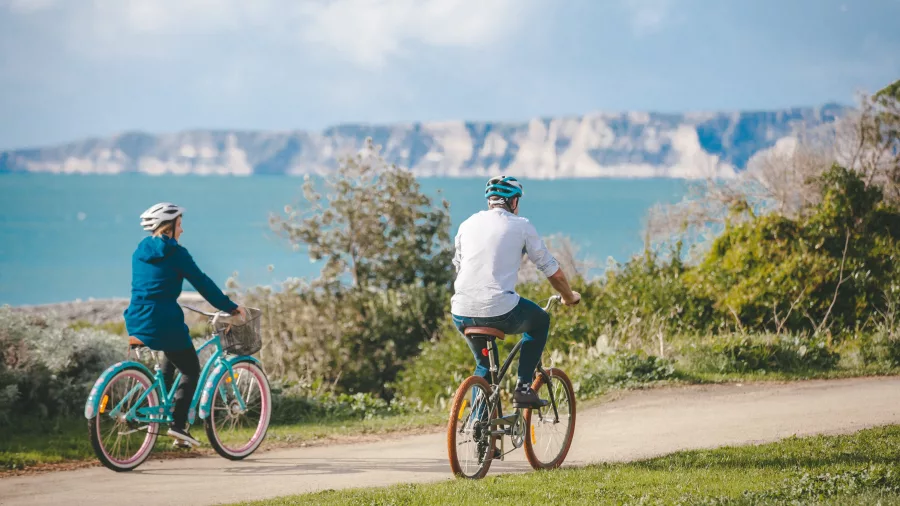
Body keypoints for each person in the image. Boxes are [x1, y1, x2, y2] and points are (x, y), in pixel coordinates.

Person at [451, 176, 581, 408]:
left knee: (484, 367)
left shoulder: (466, 224)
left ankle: (481, 432)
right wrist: (569, 297)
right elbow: (553, 272)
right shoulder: (521, 225)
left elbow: (460, 267)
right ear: (513, 202)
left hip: (461, 311)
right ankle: (523, 388)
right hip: (500, 310)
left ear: (490, 201)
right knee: (540, 321)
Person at [123, 202, 246, 447]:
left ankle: (160, 415)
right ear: (168, 227)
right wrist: (229, 307)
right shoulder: (177, 253)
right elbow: (202, 282)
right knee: (190, 368)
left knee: (172, 357)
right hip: (164, 320)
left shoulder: (140, 250)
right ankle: (178, 426)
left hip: (136, 318)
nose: (182, 230)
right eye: (179, 225)